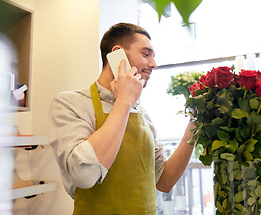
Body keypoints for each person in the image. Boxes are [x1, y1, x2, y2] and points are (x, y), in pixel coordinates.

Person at [48, 23, 195, 215]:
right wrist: (124, 100)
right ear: (118, 54)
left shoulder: (143, 115)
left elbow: (164, 181)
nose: (153, 64)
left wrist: (195, 124)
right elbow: (84, 175)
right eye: (146, 54)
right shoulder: (69, 103)